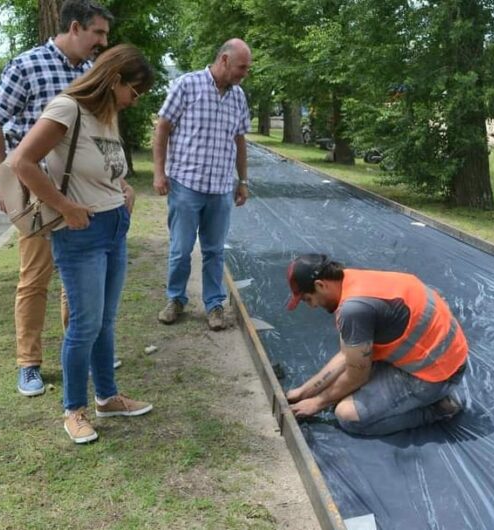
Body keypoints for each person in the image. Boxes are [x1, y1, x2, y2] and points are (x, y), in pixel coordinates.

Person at [0, 0, 128, 398]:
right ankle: (28, 364)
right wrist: (3, 177)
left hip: (83, 194)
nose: (102, 42)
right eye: (98, 33)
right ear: (76, 27)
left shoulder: (89, 74)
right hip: (38, 192)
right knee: (35, 278)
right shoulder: (27, 64)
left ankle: (77, 349)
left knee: (76, 282)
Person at [9, 44, 155, 444]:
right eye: (134, 91)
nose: (134, 100)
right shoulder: (67, 108)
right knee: (84, 324)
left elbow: (103, 167)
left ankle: (107, 396)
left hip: (114, 227)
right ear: (114, 79)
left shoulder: (105, 116)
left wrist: (123, 187)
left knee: (105, 321)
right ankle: (74, 409)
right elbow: (22, 162)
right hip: (81, 233)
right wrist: (66, 207)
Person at [285, 254, 469, 436]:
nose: (312, 306)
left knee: (348, 416)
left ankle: (439, 409)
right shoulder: (350, 279)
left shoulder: (353, 308)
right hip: (442, 356)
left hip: (437, 374)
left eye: (308, 299)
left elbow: (357, 376)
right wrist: (303, 393)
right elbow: (347, 355)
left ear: (320, 285)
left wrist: (317, 403)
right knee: (341, 391)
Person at [152, 38, 252, 331]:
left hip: (220, 189)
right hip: (186, 185)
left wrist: (242, 181)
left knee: (214, 250)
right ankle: (176, 300)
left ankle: (214, 305)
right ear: (223, 60)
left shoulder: (238, 96)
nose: (244, 73)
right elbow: (163, 127)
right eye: (241, 67)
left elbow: (240, 140)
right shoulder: (187, 85)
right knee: (181, 249)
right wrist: (159, 172)